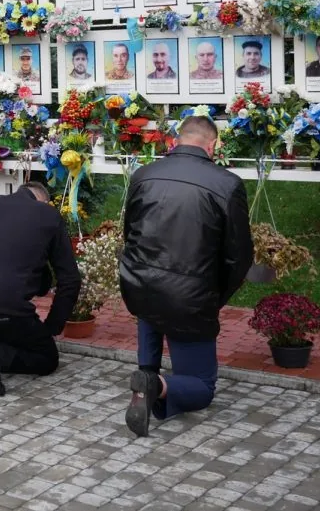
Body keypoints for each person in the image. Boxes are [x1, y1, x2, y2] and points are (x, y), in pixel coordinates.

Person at [120, 116, 253, 437]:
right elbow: (239, 256)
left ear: (176, 141)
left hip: (141, 287)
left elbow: (129, 235)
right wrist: (215, 296)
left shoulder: (143, 175)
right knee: (203, 387)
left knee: (153, 304)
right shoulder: (227, 184)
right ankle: (155, 384)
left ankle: (146, 374)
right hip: (190, 297)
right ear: (212, 145)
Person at [0, 182, 81, 397]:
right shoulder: (48, 215)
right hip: (5, 308)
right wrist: (51, 327)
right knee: (47, 358)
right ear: (42, 200)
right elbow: (70, 280)